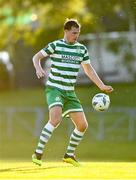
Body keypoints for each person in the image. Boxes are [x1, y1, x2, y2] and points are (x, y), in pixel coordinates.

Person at [32, 18, 113, 167]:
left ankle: (69, 155)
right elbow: (36, 57)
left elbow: (88, 69)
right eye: (74, 33)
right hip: (54, 88)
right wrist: (38, 68)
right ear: (66, 31)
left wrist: (101, 85)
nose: (76, 36)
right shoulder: (56, 45)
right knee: (55, 119)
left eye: (78, 33)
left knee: (82, 125)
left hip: (69, 92)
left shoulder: (81, 49)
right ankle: (38, 153)